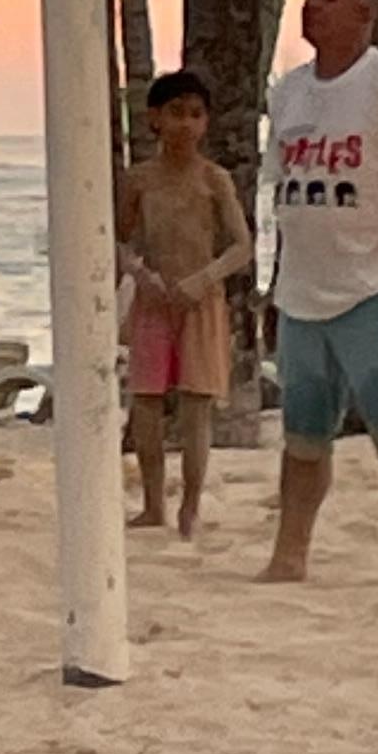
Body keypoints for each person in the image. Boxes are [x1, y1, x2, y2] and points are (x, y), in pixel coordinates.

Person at [259, 0, 378, 584]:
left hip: (373, 290)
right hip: (301, 296)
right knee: (303, 437)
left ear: (366, 12)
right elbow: (284, 199)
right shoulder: (289, 92)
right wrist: (273, 288)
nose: (312, 5)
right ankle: (289, 555)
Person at [118, 65, 250, 542]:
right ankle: (153, 504)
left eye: (196, 114)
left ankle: (190, 504)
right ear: (155, 118)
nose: (186, 124)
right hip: (154, 301)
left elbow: (241, 246)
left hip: (201, 302)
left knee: (196, 404)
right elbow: (118, 240)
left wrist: (204, 279)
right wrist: (141, 274)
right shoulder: (139, 179)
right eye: (176, 113)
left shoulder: (214, 179)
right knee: (147, 402)